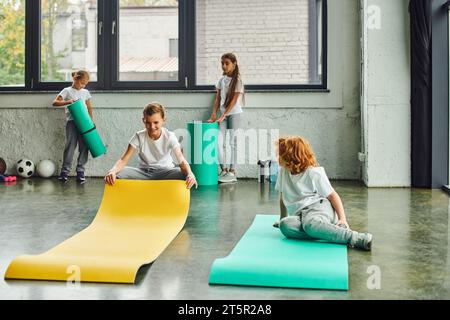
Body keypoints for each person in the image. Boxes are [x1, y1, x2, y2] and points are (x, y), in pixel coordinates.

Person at [274, 136, 373, 251]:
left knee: (310, 224)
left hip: (319, 208)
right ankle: (324, 231)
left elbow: (332, 195)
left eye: (280, 155)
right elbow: (283, 197)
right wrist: (282, 218)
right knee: (285, 226)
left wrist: (343, 219)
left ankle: (355, 237)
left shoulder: (313, 173)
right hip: (301, 214)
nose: (277, 157)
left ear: (291, 159)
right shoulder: (283, 171)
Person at [104, 102, 197, 189]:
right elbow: (123, 159)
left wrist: (190, 174)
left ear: (163, 120)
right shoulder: (138, 136)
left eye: (156, 122)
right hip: (144, 173)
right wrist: (113, 171)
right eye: (148, 123)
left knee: (185, 174)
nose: (152, 127)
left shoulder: (170, 136)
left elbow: (181, 159)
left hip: (165, 172)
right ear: (143, 121)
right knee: (117, 173)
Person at [206, 53, 245, 183]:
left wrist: (223, 115)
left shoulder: (238, 80)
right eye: (222, 63)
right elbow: (217, 99)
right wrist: (213, 115)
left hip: (234, 113)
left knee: (233, 143)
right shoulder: (221, 80)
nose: (224, 66)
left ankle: (233, 172)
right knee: (217, 141)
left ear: (234, 64)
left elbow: (234, 101)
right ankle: (224, 170)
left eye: (227, 63)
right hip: (222, 115)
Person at [53, 70, 93, 183]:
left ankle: (80, 171)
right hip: (72, 122)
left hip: (85, 123)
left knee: (84, 146)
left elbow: (89, 108)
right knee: (70, 146)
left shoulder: (85, 92)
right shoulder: (67, 91)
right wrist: (69, 102)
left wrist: (91, 121)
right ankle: (65, 171)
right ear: (75, 79)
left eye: (85, 84)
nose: (83, 86)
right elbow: (55, 102)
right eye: (82, 83)